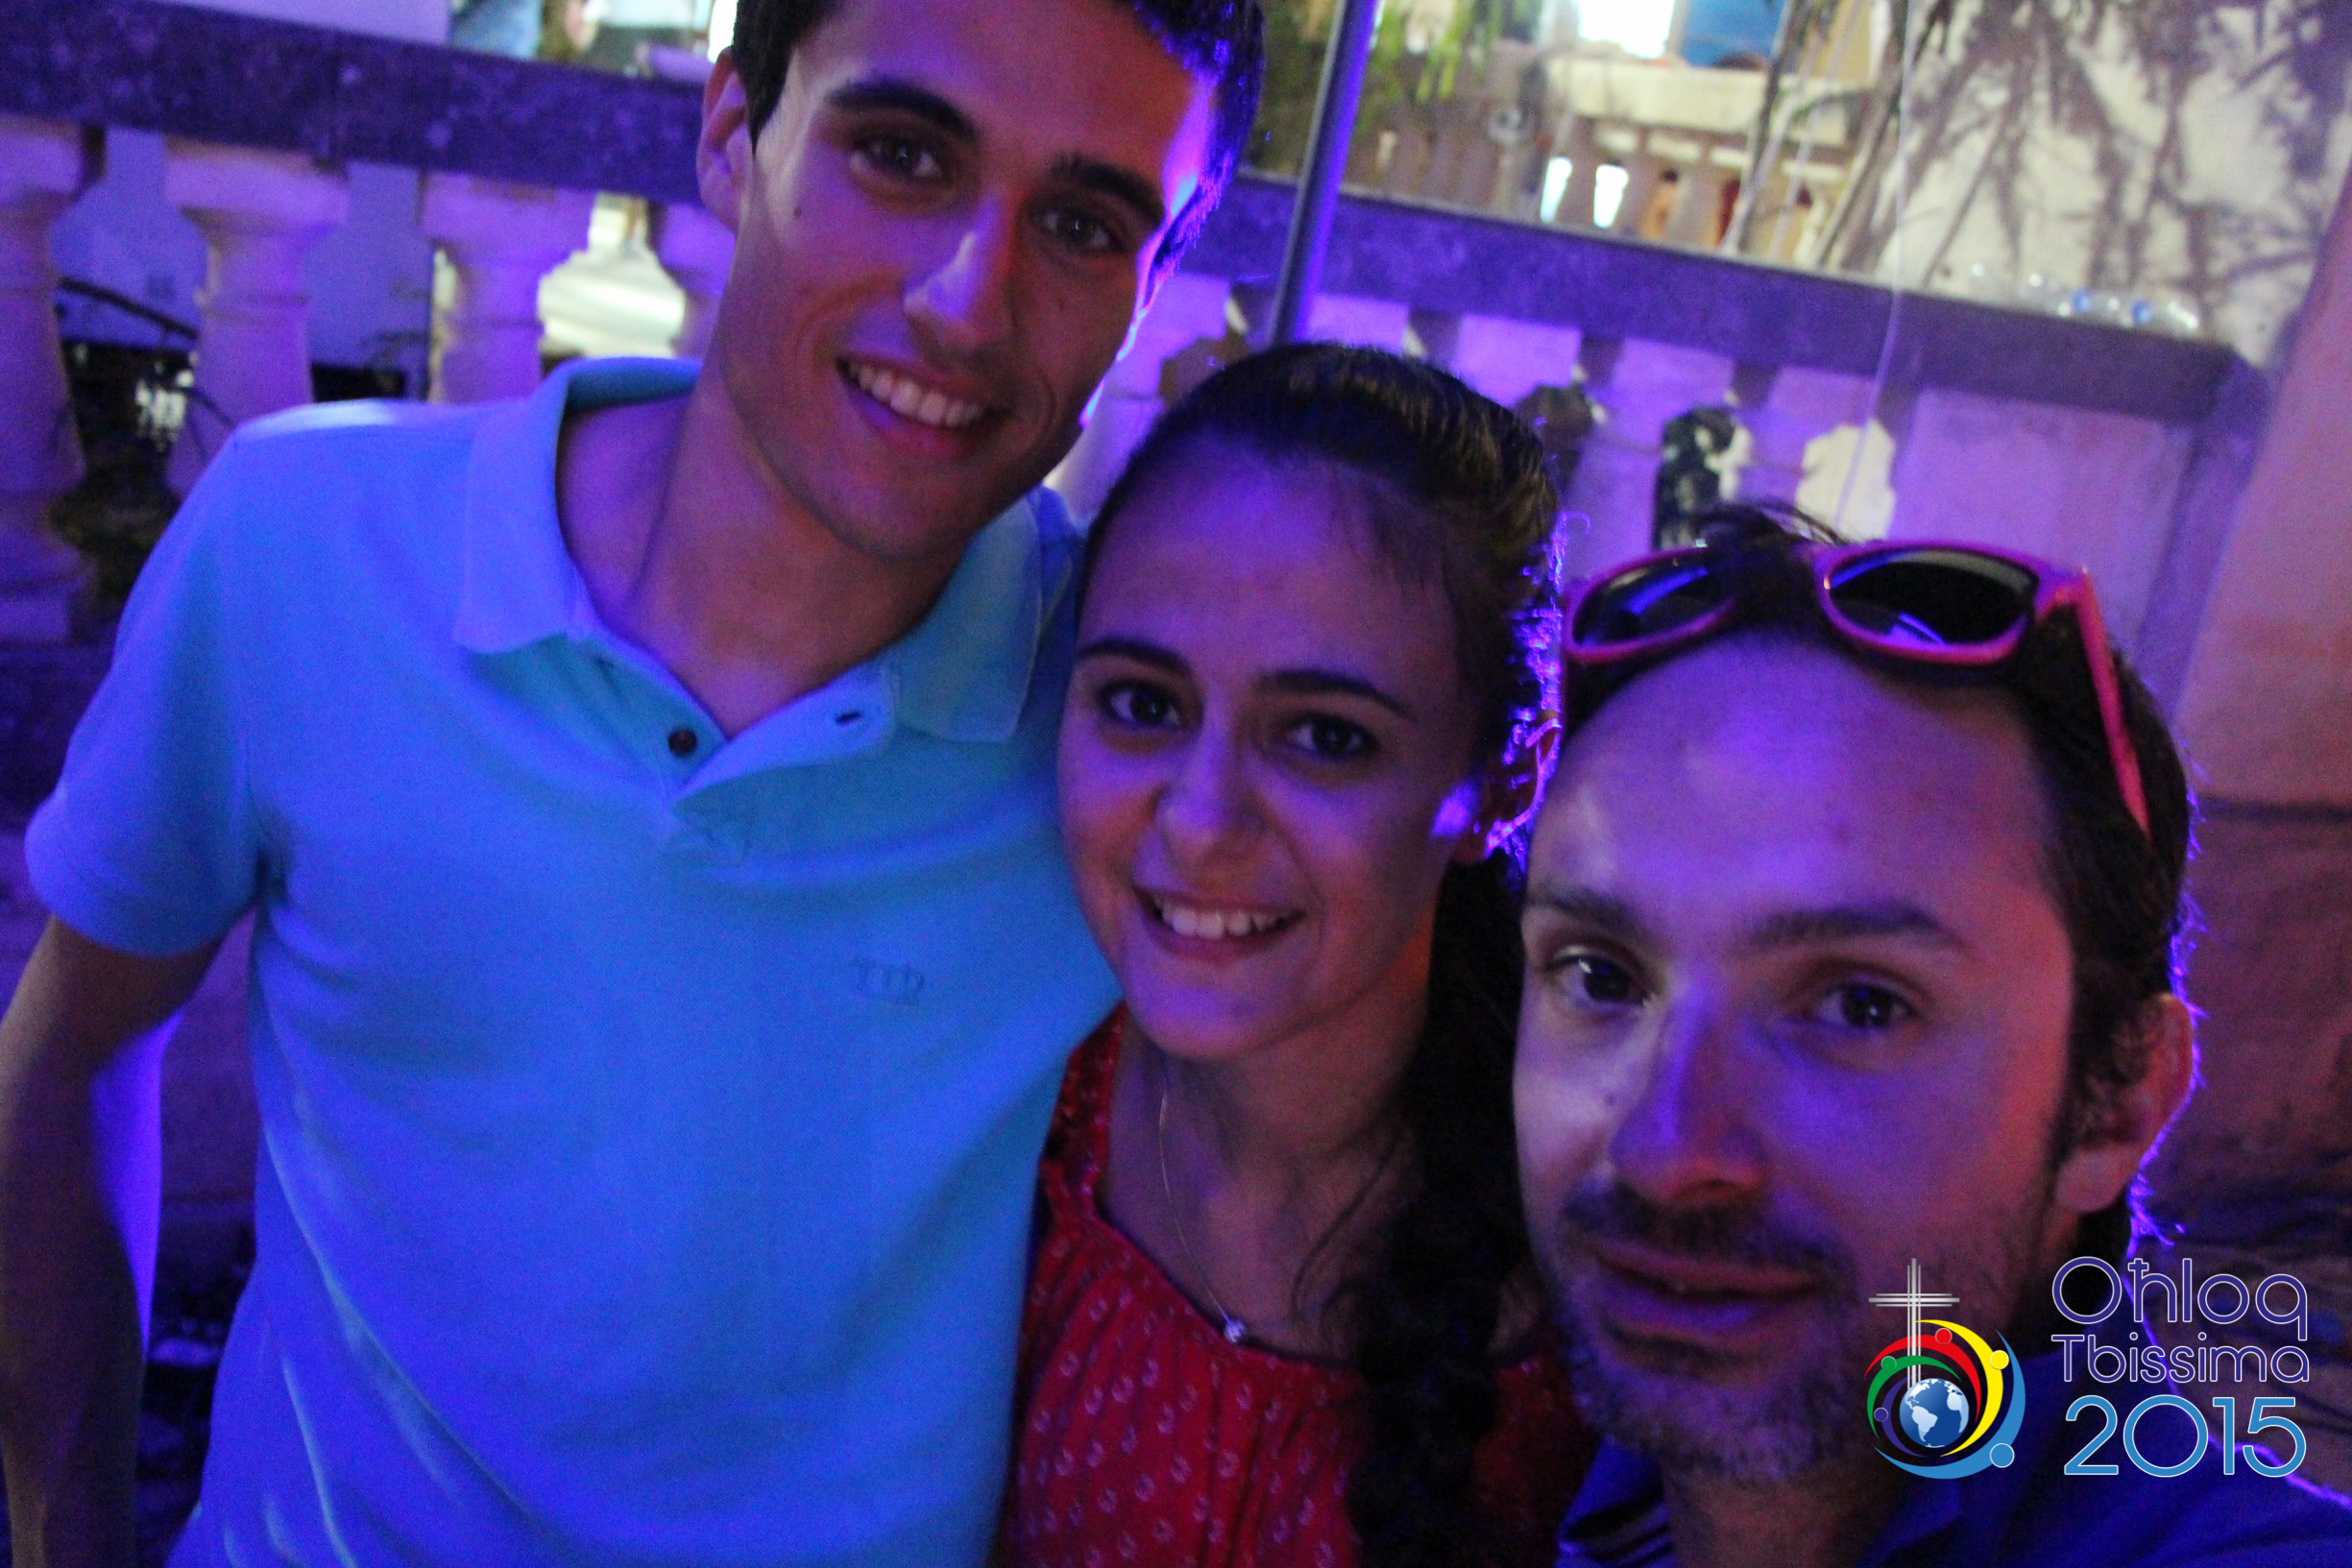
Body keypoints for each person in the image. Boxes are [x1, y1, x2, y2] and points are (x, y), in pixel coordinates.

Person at [0, 0, 1263, 1563]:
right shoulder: (304, 543)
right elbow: (71, 1054)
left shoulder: (1147, 748)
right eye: (899, 153)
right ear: (733, 135)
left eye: (1081, 226)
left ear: (1158, 277)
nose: (966, 302)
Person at [1513, 507, 2352, 1568]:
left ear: (2116, 1098)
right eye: (1600, 977)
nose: (1665, 1152)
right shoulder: (1510, 1473)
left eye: (1861, 1005)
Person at [1001, 345, 1598, 1568]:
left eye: (1324, 736)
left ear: (1509, 775)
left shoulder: (1604, 1267)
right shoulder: (1013, 1112)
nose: (1199, 819)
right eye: (1143, 704)